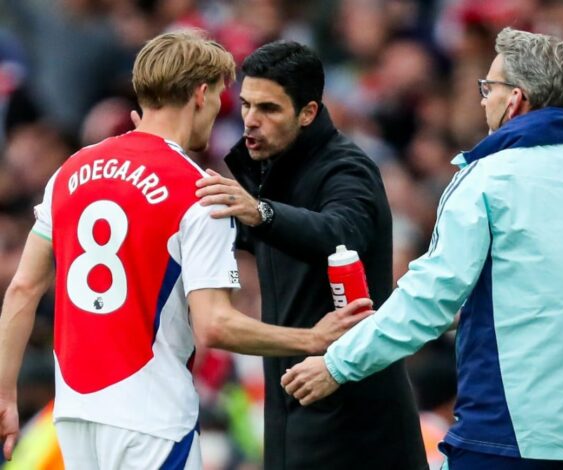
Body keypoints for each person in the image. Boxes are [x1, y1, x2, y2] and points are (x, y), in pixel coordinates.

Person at [281, 28, 563, 469]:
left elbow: (430, 299)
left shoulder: (487, 179)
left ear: (515, 100)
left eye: (488, 87)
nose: (482, 100)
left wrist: (338, 364)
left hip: (502, 437)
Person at [0, 31, 370, 469]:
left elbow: (23, 289)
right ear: (200, 93)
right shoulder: (199, 192)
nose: (218, 114)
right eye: (219, 100)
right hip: (151, 419)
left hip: (75, 416)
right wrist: (313, 339)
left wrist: (4, 394)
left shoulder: (71, 171)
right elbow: (215, 326)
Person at [193, 40, 427, 469]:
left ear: (308, 112)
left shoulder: (346, 168)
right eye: (246, 105)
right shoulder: (272, 171)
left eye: (269, 108)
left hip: (354, 417)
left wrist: (261, 213)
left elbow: (343, 232)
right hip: (296, 400)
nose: (251, 120)